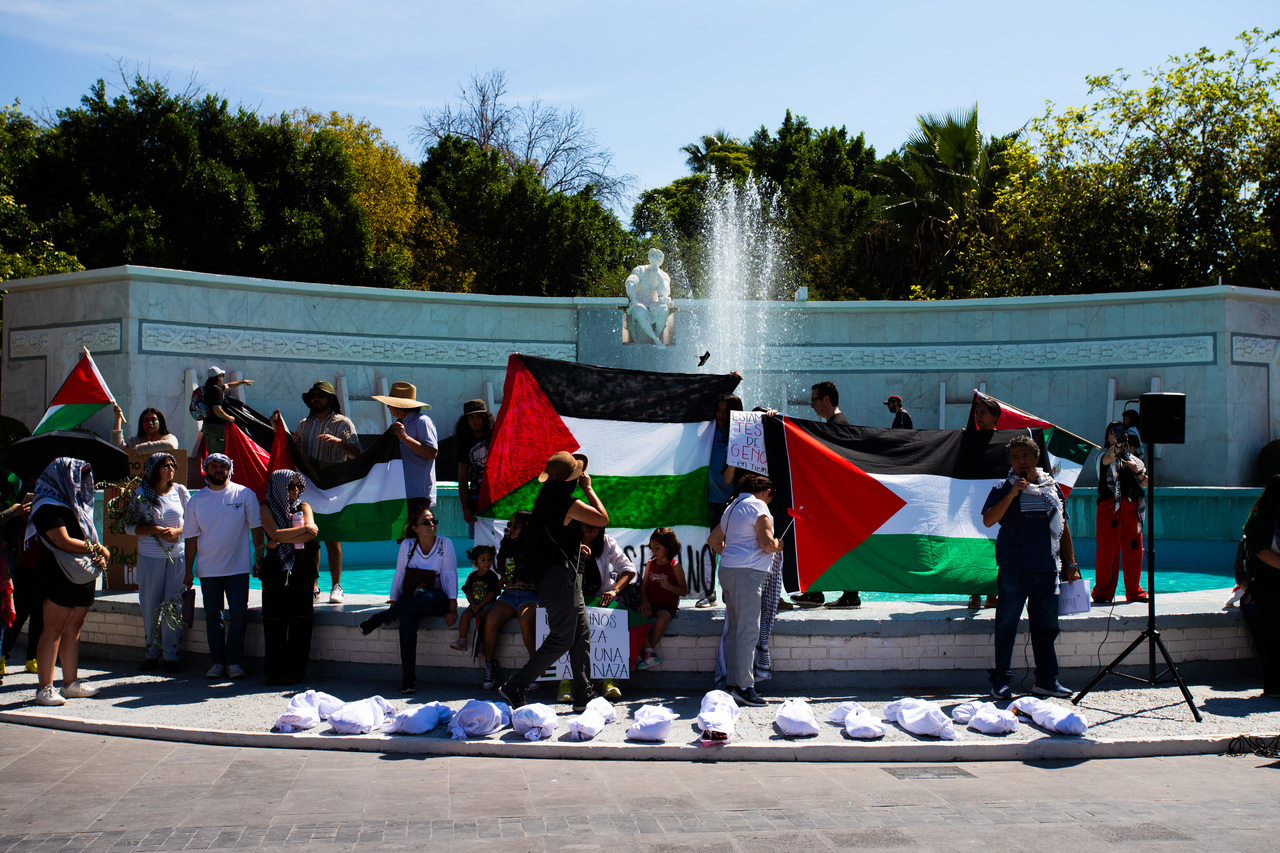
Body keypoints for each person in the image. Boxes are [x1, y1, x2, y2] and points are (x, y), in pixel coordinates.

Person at [497, 451, 608, 711]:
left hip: (561, 574)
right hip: (560, 578)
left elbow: (554, 536)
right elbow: (602, 519)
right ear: (572, 479)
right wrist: (589, 489)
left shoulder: (546, 500)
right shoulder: (567, 503)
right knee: (562, 637)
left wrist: (575, 547)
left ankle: (582, 691)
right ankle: (516, 685)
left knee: (581, 633)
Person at [982, 435, 1080, 700]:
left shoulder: (1052, 488)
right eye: (1015, 457)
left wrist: (1071, 563)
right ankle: (1001, 681)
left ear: (1036, 457)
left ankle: (1046, 681)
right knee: (1006, 625)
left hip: (1046, 569)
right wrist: (1013, 493)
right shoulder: (1003, 487)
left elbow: (1063, 527)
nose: (1021, 461)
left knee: (1046, 627)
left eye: (1026, 455)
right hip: (1014, 569)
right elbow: (989, 520)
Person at [26, 458, 108, 706]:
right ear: (63, 476)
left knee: (74, 628)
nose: (82, 483)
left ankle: (70, 683)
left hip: (80, 573)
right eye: (78, 477)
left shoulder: (77, 504)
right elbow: (61, 540)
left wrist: (95, 553)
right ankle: (45, 688)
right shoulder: (46, 505)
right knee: (53, 629)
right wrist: (97, 549)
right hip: (57, 573)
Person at [358, 506, 458, 694]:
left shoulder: (445, 544)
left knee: (426, 597)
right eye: (426, 522)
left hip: (436, 599)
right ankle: (408, 678)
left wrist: (452, 608)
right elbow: (399, 575)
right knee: (406, 622)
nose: (431, 525)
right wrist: (394, 603)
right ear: (415, 528)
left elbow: (450, 575)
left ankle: (379, 618)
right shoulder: (407, 545)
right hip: (411, 598)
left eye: (434, 521)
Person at [183, 453, 264, 680]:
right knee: (213, 617)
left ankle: (234, 662)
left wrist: (259, 559)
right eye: (214, 466)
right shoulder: (196, 501)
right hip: (208, 570)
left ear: (229, 469)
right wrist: (188, 570)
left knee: (239, 615)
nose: (218, 469)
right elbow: (190, 539)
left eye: (222, 466)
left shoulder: (245, 494)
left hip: (238, 569)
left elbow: (256, 529)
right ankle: (217, 662)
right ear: (206, 470)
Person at [708, 473, 783, 707]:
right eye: (770, 497)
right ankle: (744, 687)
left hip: (728, 570)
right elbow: (767, 544)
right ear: (766, 492)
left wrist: (734, 554)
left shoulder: (732, 507)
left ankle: (732, 683)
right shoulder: (759, 505)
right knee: (748, 631)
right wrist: (779, 545)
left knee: (736, 629)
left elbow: (713, 540)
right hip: (748, 574)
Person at [793, 381, 860, 610]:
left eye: (814, 400)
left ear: (826, 400)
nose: (812, 406)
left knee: (830, 544)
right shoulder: (834, 425)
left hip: (837, 501)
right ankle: (821, 592)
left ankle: (845, 594)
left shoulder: (838, 427)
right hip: (834, 500)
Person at [294, 381, 360, 604]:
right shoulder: (304, 424)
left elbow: (357, 453)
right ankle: (313, 585)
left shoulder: (343, 423)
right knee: (311, 537)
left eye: (320, 395)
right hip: (309, 487)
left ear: (331, 399)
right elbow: (296, 454)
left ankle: (336, 586)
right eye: (313, 395)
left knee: (332, 537)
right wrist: (290, 440)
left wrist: (339, 443)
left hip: (334, 488)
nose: (316, 399)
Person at [126, 453, 189, 673]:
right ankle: (151, 653)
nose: (170, 469)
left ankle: (171, 655)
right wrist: (154, 530)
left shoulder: (180, 491)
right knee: (150, 605)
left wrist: (177, 532)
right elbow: (128, 527)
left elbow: (193, 522)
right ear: (154, 469)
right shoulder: (141, 494)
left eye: (173, 465)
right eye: (165, 465)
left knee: (174, 605)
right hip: (150, 558)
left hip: (176, 556)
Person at [258, 469, 320, 686]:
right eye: (290, 486)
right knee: (274, 622)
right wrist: (294, 534)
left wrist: (279, 540)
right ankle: (275, 670)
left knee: (300, 623)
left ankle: (296, 671)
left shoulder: (304, 507)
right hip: (275, 571)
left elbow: (312, 533)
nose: (295, 490)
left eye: (297, 486)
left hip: (301, 570)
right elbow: (274, 533)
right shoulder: (266, 508)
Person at [480, 511, 540, 691]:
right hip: (509, 595)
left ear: (526, 527)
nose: (511, 528)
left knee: (526, 619)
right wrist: (503, 578)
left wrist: (523, 583)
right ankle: (490, 664)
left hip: (531, 595)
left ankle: (534, 668)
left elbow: (543, 576)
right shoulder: (507, 542)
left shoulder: (537, 546)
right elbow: (502, 563)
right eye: (510, 524)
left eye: (515, 525)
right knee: (491, 619)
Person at [1093, 421, 1149, 604]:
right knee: (1107, 550)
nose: (1115, 435)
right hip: (1109, 507)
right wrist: (1117, 447)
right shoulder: (1102, 455)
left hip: (1132, 507)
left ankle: (1134, 591)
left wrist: (1137, 471)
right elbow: (1109, 458)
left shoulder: (1135, 459)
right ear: (1107, 437)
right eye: (1112, 432)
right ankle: (1103, 592)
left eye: (1119, 432)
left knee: (1134, 549)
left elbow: (1146, 483)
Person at [580, 522, 635, 700]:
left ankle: (609, 681)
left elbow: (628, 570)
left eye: (596, 528)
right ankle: (566, 683)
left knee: (610, 630)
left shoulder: (606, 542)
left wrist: (614, 591)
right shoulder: (567, 541)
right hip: (573, 599)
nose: (592, 532)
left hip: (600, 599)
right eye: (588, 528)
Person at [699, 392, 742, 608]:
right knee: (710, 547)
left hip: (731, 501)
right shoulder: (709, 428)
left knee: (729, 548)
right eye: (719, 410)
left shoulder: (740, 433)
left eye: (726, 411)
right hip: (710, 499)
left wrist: (769, 413)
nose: (722, 415)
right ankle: (709, 594)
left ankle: (729, 592)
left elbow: (759, 421)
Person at [372, 382, 437, 517]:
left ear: (399, 406)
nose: (388, 406)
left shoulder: (422, 421)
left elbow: (432, 453)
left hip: (418, 492)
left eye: (391, 403)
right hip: (401, 492)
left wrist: (405, 438)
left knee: (415, 529)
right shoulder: (399, 424)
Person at [1242, 475, 1280, 698]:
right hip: (1266, 580)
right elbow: (1260, 551)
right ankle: (1274, 686)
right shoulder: (1260, 517)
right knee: (1273, 633)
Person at [635, 527, 688, 671]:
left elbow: (684, 590)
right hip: (651, 603)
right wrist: (644, 601)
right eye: (652, 548)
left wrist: (669, 587)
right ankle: (648, 653)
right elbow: (644, 586)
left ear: (668, 547)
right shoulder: (651, 564)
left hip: (667, 605)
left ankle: (647, 653)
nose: (653, 551)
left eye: (657, 548)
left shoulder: (675, 567)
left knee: (661, 621)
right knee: (638, 618)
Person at [968, 393, 1002, 609]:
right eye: (976, 413)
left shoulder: (1006, 441)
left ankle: (992, 592)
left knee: (994, 547)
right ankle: (974, 592)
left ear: (995, 415)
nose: (979, 416)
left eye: (983, 412)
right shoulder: (969, 439)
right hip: (974, 501)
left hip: (996, 502)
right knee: (974, 546)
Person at [453, 400, 493, 534]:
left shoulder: (496, 437)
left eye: (479, 416)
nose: (476, 421)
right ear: (466, 421)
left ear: (485, 418)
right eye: (471, 417)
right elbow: (462, 479)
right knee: (478, 543)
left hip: (496, 497)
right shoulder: (465, 443)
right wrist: (465, 509)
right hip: (476, 498)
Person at [451, 545, 500, 654]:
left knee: (483, 616)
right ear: (475, 562)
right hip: (475, 604)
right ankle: (462, 640)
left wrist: (480, 606)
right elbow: (468, 591)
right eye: (483, 560)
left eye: (489, 560)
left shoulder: (492, 576)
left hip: (487, 605)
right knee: (465, 615)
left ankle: (482, 643)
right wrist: (472, 604)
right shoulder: (472, 576)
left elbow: (492, 595)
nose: (487, 563)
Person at [198, 367, 253, 457]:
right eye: (222, 375)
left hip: (207, 426)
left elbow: (228, 386)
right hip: (216, 428)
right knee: (217, 456)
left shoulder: (207, 388)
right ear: (218, 377)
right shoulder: (217, 391)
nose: (223, 378)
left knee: (211, 455)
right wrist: (229, 418)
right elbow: (217, 410)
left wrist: (242, 382)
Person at [624, 248, 673, 345]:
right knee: (639, 310)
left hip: (654, 306)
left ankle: (656, 336)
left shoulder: (663, 275)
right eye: (653, 260)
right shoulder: (640, 270)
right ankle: (655, 339)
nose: (655, 263)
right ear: (649, 259)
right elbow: (630, 283)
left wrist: (659, 277)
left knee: (664, 309)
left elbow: (665, 293)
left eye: (657, 261)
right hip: (639, 304)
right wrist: (633, 300)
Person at [111, 406, 179, 453]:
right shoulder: (135, 441)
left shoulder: (169, 438)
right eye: (146, 420)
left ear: (160, 422)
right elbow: (117, 447)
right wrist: (118, 418)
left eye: (153, 419)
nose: (150, 423)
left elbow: (170, 445)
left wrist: (140, 449)